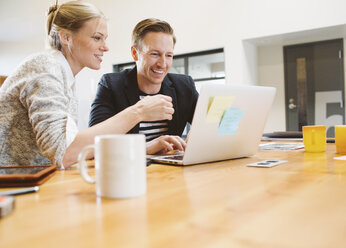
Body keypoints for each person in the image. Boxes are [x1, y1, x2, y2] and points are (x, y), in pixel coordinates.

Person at [0, 1, 182, 169]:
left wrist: (147, 147)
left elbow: (76, 148)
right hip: (12, 190)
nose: (106, 47)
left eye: (105, 38)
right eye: (97, 38)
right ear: (66, 37)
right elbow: (64, 154)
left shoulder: (64, 78)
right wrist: (139, 111)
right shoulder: (44, 68)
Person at [89, 18, 199, 154]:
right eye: (155, 54)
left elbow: (213, 122)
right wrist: (147, 148)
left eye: (169, 55)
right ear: (135, 53)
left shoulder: (184, 86)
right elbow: (94, 143)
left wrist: (199, 134)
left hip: (170, 171)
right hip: (127, 169)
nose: (163, 63)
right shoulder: (111, 85)